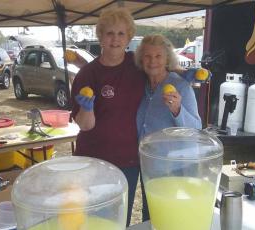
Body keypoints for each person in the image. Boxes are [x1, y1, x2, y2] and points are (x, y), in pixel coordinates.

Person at [70, 8, 145, 226]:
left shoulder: (137, 65)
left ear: (129, 37)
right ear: (100, 37)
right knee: (93, 219)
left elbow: (161, 64)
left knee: (119, 218)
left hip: (128, 160)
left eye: (121, 34)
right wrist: (87, 108)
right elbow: (85, 125)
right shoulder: (88, 74)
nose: (115, 39)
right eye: (110, 33)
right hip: (93, 160)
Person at [135, 34, 202, 220]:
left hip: (175, 168)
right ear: (141, 59)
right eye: (147, 56)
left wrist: (178, 110)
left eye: (158, 56)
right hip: (150, 167)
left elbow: (196, 129)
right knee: (151, 215)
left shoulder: (181, 86)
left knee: (174, 217)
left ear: (167, 59)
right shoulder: (142, 86)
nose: (153, 61)